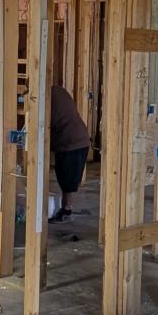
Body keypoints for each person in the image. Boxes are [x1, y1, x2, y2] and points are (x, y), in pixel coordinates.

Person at [48, 83, 90, 222]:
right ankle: (66, 209)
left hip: (71, 142)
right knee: (67, 179)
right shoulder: (58, 90)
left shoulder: (48, 97)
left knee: (67, 179)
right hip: (79, 139)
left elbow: (47, 123)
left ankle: (66, 209)